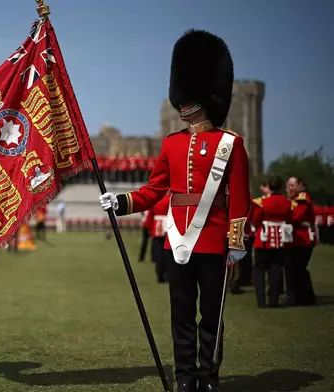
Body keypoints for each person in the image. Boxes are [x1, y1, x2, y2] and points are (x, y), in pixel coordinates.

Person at [99, 29, 250, 392]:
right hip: (178, 242)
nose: (180, 106)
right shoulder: (171, 145)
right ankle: (185, 377)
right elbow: (153, 191)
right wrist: (120, 202)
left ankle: (208, 377)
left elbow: (241, 199)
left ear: (205, 98)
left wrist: (237, 243)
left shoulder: (231, 144)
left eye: (187, 100)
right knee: (181, 315)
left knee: (211, 317)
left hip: (215, 242)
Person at [250, 175, 293, 307]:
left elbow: (256, 219)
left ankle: (261, 300)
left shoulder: (262, 202)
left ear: (269, 186)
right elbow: (290, 218)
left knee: (259, 270)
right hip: (280, 239)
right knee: (276, 270)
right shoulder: (287, 202)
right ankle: (273, 300)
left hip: (264, 239)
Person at [285, 177, 316, 305]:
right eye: (289, 186)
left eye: (293, 185)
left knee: (298, 268)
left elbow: (296, 216)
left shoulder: (302, 199)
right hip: (295, 238)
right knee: (294, 268)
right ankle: (300, 297)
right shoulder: (293, 200)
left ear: (300, 186)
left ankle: (303, 297)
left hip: (303, 239)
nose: (290, 188)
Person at [144, 192, 170, 283]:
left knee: (158, 253)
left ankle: (159, 275)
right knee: (167, 253)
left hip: (157, 227)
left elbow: (150, 215)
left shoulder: (156, 200)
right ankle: (167, 274)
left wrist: (148, 227)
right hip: (168, 227)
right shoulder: (170, 199)